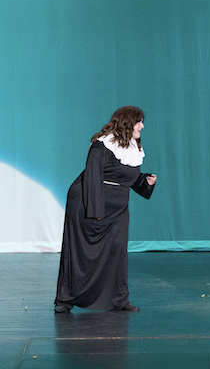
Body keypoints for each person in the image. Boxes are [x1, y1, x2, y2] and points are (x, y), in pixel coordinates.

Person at [55, 106, 157, 313]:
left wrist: (144, 181)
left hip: (118, 208)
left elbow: (123, 175)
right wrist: (95, 212)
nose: (142, 126)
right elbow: (92, 177)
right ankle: (65, 300)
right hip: (90, 204)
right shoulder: (102, 145)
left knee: (118, 252)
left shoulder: (132, 146)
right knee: (82, 253)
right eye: (138, 121)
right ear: (127, 122)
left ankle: (119, 300)